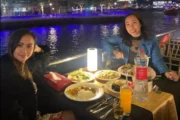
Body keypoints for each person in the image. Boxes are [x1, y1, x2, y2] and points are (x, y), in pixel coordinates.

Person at [0, 29, 76, 120]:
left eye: (29, 46)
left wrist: (38, 49)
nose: (24, 51)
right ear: (12, 45)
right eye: (19, 45)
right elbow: (10, 112)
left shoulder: (26, 62)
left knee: (78, 111)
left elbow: (44, 61)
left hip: (39, 109)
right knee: (78, 114)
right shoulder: (5, 72)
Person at [101, 13, 179, 81]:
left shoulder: (151, 40)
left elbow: (157, 60)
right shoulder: (121, 38)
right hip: (127, 75)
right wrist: (114, 51)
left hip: (144, 76)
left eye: (134, 22)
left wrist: (166, 72)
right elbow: (105, 41)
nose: (131, 27)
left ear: (140, 24)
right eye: (127, 24)